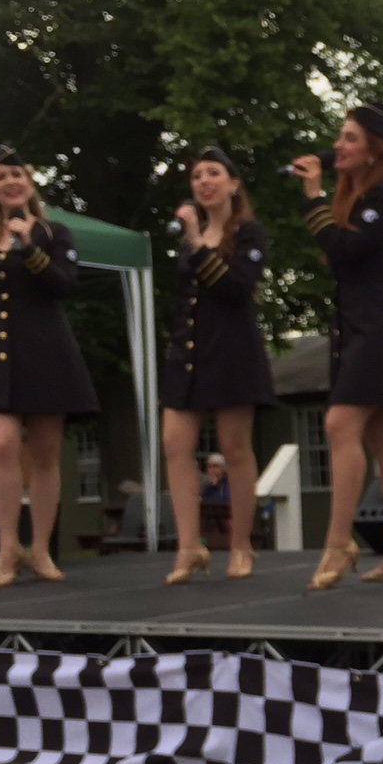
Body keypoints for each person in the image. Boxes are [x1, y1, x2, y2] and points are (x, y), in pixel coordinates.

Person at [292, 102, 383, 591]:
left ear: (375, 151)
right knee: (382, 436)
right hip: (359, 327)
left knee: (338, 423)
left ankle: (337, 542)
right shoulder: (354, 200)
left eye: (350, 138)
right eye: (341, 136)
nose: (338, 145)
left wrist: (311, 199)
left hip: (381, 328)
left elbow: (344, 250)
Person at [0, 142, 99, 588]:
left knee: (45, 452)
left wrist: (27, 247)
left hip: (45, 352)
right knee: (0, 444)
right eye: (1, 177)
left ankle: (39, 548)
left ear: (30, 183)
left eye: (17, 175)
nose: (11, 183)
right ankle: (6, 547)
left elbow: (62, 286)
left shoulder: (55, 234)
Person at [161, 145, 274, 584]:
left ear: (233, 183)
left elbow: (235, 288)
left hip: (231, 351)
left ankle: (242, 545)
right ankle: (190, 547)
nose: (203, 182)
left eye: (213, 173)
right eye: (196, 176)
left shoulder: (249, 233)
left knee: (235, 447)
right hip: (188, 352)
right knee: (174, 444)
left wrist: (194, 243)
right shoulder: (191, 236)